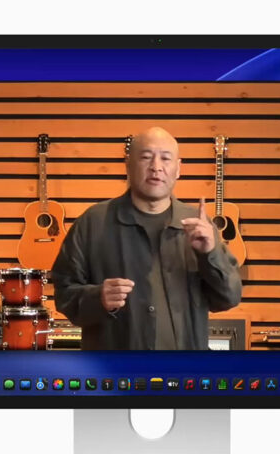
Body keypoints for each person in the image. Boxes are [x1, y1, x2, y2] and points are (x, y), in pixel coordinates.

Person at [51, 126, 242, 350]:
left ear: (178, 169)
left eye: (165, 158)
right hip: (115, 377)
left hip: (183, 378)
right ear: (128, 165)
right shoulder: (93, 223)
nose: (156, 167)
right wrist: (97, 298)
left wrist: (210, 254)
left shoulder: (199, 226)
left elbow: (229, 297)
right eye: (146, 157)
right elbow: (64, 294)